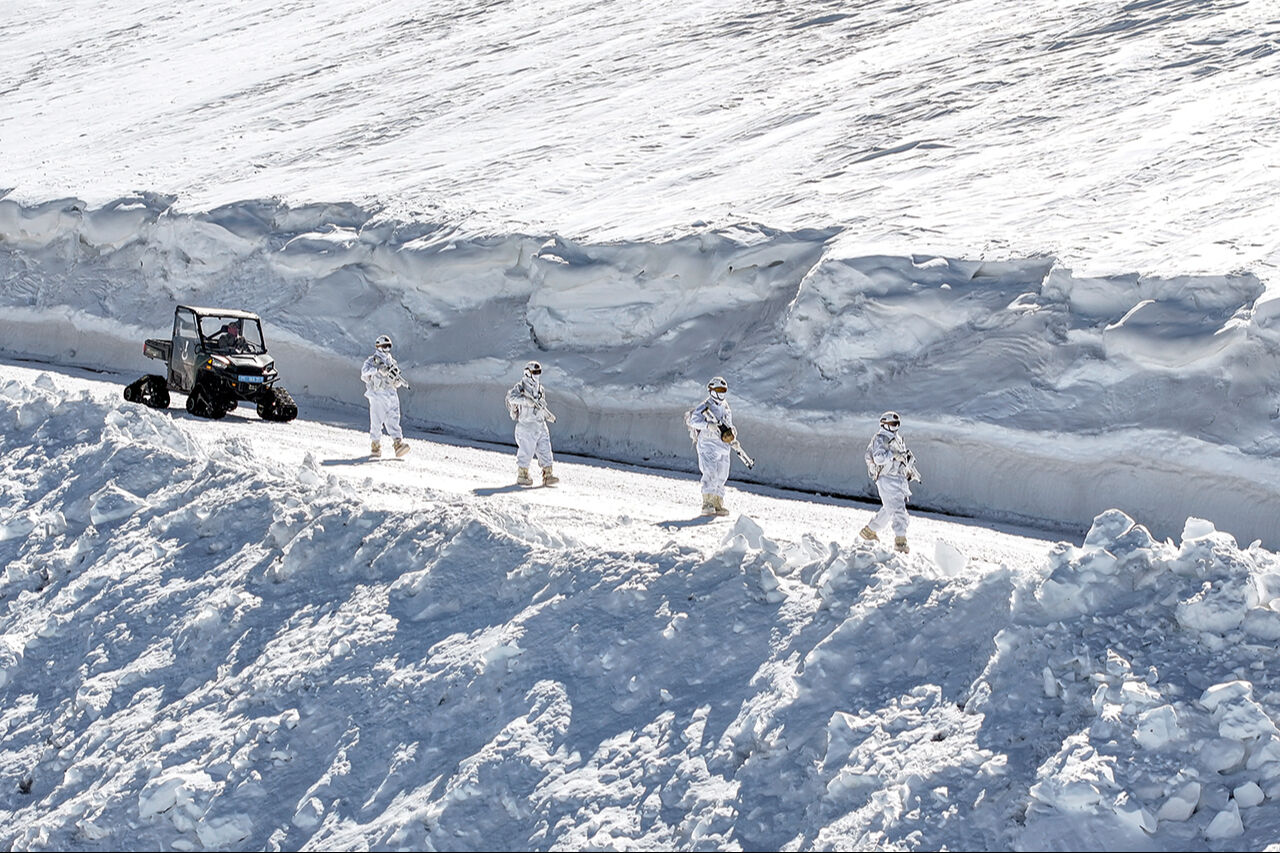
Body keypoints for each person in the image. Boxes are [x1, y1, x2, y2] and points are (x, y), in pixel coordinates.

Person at [860, 411, 922, 553]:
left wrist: (908, 469)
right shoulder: (881, 438)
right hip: (887, 478)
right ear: (884, 424)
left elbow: (901, 458)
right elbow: (878, 458)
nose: (895, 427)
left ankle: (870, 531)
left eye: (897, 424)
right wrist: (894, 455)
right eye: (893, 424)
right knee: (899, 510)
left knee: (890, 508)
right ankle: (900, 541)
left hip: (897, 478)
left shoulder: (897, 439)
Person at [685, 375, 738, 516]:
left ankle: (717, 503)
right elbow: (693, 421)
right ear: (712, 390)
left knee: (722, 474)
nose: (721, 394)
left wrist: (732, 434)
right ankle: (707, 503)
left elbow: (729, 424)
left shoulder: (726, 407)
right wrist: (708, 425)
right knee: (710, 473)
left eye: (723, 390)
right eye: (719, 390)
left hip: (723, 446)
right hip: (708, 445)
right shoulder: (705, 406)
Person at [506, 360, 559, 486]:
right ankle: (522, 475)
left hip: (540, 424)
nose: (537, 374)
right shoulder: (520, 387)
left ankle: (548, 474)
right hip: (526, 425)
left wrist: (545, 413)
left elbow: (541, 405)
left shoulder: (540, 389)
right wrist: (525, 401)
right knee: (526, 451)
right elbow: (511, 398)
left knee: (545, 449)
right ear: (528, 373)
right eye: (535, 372)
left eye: (539, 372)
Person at [361, 334, 409, 458]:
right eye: (385, 346)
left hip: (391, 393)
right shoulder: (372, 361)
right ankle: (375, 446)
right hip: (378, 393)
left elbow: (395, 377)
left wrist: (397, 382)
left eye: (389, 346)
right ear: (379, 347)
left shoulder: (392, 362)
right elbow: (364, 372)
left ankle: (398, 444)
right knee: (377, 420)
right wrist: (377, 370)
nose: (387, 349)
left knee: (394, 418)